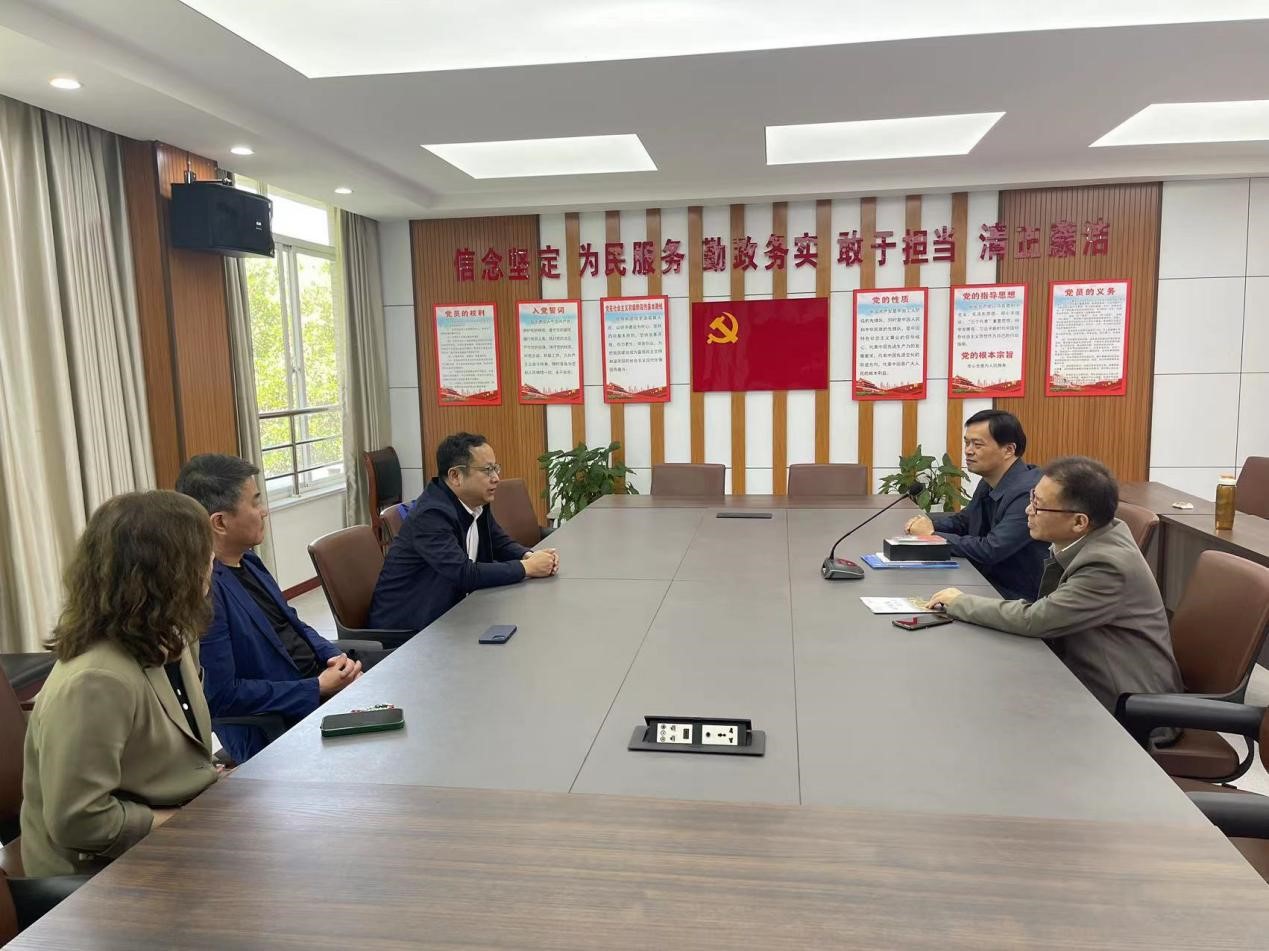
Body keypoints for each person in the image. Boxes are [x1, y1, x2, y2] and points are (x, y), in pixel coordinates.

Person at [20, 492, 220, 877]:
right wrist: (185, 822)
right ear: (171, 574)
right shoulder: (95, 679)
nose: (211, 562)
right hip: (95, 876)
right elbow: (79, 821)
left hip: (170, 832)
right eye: (203, 555)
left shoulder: (173, 637)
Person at [928, 456, 1184, 716]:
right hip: (1079, 679)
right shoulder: (1089, 536)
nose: (1028, 511)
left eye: (1038, 506)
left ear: (1079, 522)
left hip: (1121, 706)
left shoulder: (1106, 566)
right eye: (1032, 498)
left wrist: (960, 602)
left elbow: (1038, 619)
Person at [175, 454, 363, 765]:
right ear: (220, 522)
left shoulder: (249, 560)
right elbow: (222, 696)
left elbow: (292, 623)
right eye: (255, 502)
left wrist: (333, 657)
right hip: (280, 725)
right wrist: (316, 688)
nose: (264, 511)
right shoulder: (206, 594)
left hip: (320, 686)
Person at [369, 432, 558, 631]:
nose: (496, 478)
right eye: (487, 470)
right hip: (409, 631)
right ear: (455, 476)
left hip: (454, 616)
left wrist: (529, 555)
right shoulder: (431, 515)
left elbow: (498, 542)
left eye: (495, 468)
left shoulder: (476, 502)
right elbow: (464, 573)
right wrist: (527, 567)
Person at [904, 409, 1048, 601]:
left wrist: (932, 535)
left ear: (1008, 450)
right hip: (984, 581)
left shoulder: (1028, 492)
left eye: (977, 445)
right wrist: (926, 523)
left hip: (1016, 598)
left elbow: (991, 549)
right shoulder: (990, 480)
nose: (968, 450)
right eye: (967, 443)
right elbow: (965, 521)